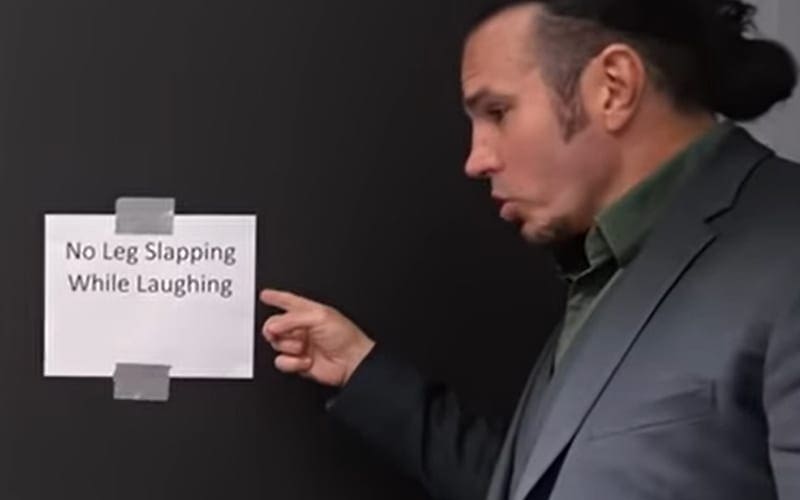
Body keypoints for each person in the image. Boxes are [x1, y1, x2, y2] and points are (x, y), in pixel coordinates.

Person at [259, 1, 800, 499]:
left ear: (614, 86)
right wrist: (363, 371)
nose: (476, 159)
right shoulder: (609, 270)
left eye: (497, 112)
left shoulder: (781, 251)